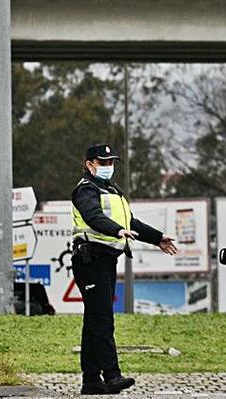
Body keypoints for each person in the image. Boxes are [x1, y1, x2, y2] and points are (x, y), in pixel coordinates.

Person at [71, 144, 179, 395]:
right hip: (91, 259)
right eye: (103, 162)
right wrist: (116, 230)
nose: (108, 166)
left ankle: (91, 380)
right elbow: (92, 216)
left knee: (94, 320)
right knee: (102, 320)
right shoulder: (85, 190)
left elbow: (130, 222)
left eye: (111, 162)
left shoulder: (113, 190)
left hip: (106, 260)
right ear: (90, 164)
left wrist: (157, 238)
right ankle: (111, 376)